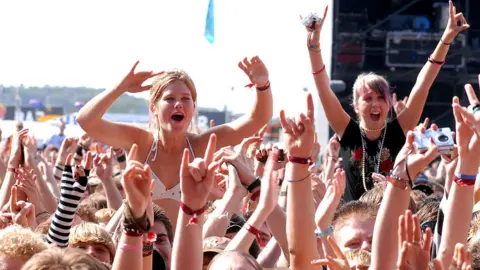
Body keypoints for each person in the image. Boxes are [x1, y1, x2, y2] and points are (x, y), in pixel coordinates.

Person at [76, 58, 273, 227]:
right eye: (169, 99)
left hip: (185, 251)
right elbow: (86, 120)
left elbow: (257, 118)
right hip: (140, 247)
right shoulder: (140, 141)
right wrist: (121, 87)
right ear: (153, 108)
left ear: (193, 107)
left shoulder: (203, 144)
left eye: (185, 99)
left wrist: (262, 85)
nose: (178, 104)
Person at [305, 2, 469, 201]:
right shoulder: (346, 130)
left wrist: (446, 38)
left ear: (389, 104)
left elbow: (423, 84)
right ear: (356, 106)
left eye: (381, 97)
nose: (375, 103)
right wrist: (314, 48)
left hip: (392, 221)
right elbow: (323, 89)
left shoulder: (399, 130)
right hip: (352, 225)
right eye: (368, 98)